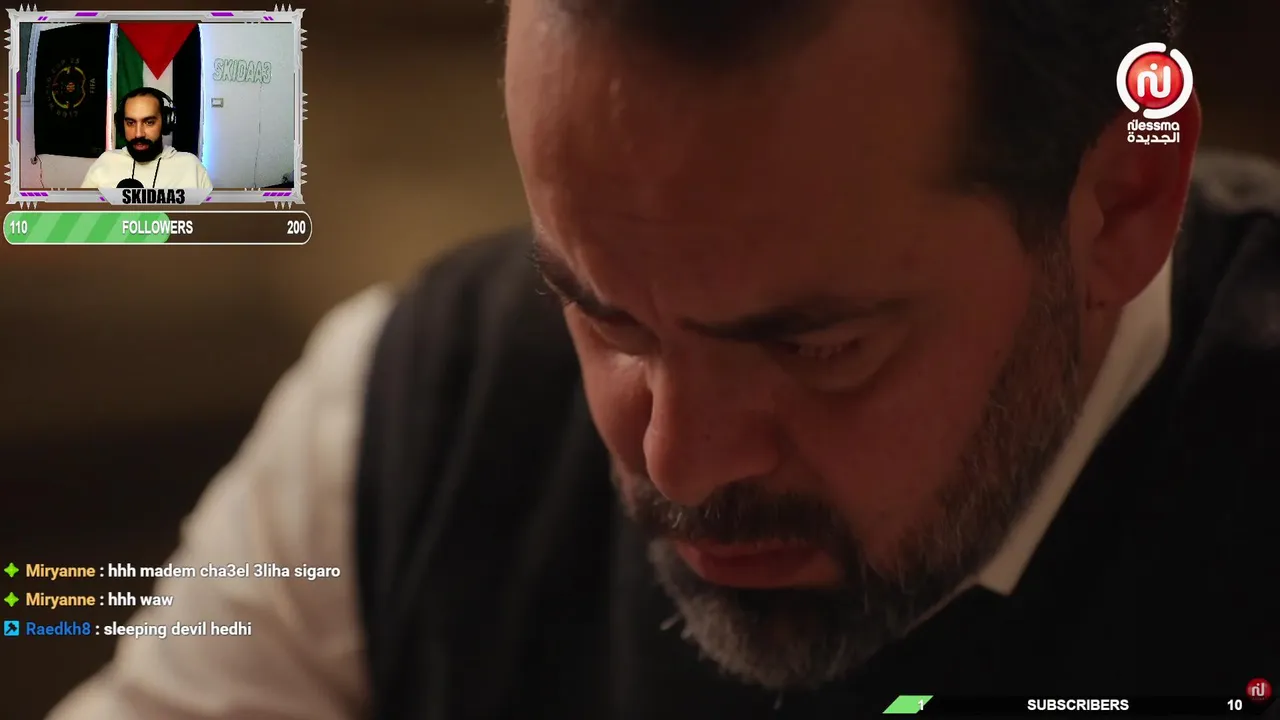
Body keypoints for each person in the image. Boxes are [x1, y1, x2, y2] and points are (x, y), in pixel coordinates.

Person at [50, 0, 1280, 717]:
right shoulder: (406, 428)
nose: (676, 460)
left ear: (1120, 207)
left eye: (815, 346)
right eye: (604, 320)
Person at [80, 87, 213, 190]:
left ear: (165, 122)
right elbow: (80, 215)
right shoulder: (105, 162)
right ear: (121, 125)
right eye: (130, 123)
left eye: (149, 122)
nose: (138, 134)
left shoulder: (191, 167)